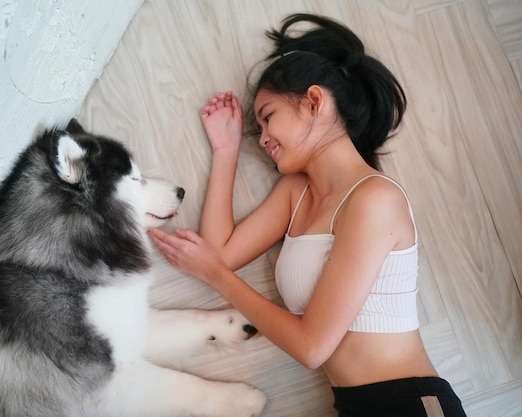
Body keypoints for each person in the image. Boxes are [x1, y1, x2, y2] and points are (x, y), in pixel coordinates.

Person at [149, 13, 467, 417]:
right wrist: (226, 150)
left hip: (407, 404)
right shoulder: (296, 193)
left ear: (314, 101)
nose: (262, 138)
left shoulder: (374, 199)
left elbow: (312, 347)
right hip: (355, 406)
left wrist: (216, 276)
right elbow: (220, 251)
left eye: (268, 117)